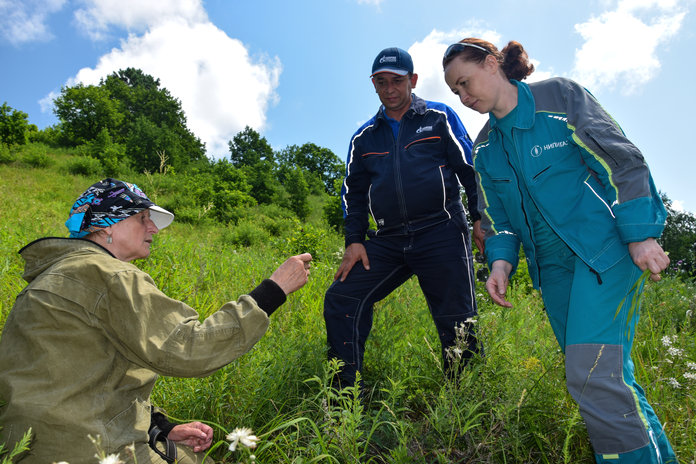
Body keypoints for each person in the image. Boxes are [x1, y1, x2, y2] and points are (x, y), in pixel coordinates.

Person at [442, 38, 677, 463]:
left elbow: (619, 160)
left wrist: (641, 232)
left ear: (492, 63)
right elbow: (497, 218)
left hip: (604, 253)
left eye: (465, 81)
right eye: (455, 91)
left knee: (591, 377)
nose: (463, 95)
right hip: (553, 272)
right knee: (607, 379)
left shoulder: (559, 98)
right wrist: (499, 262)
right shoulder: (484, 148)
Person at [0, 178, 312, 463]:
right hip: (89, 449)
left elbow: (84, 380)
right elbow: (190, 349)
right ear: (107, 225)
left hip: (28, 448)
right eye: (142, 218)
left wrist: (159, 427)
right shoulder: (108, 275)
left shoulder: (46, 281)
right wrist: (273, 291)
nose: (153, 229)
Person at [324, 47, 484, 390]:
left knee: (457, 321)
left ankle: (465, 401)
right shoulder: (364, 138)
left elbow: (469, 169)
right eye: (381, 82)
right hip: (389, 239)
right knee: (342, 297)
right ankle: (345, 396)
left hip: (442, 231)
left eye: (396, 81)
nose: (389, 89)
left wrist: (480, 218)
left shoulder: (439, 117)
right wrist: (354, 241)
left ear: (412, 80)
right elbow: (352, 193)